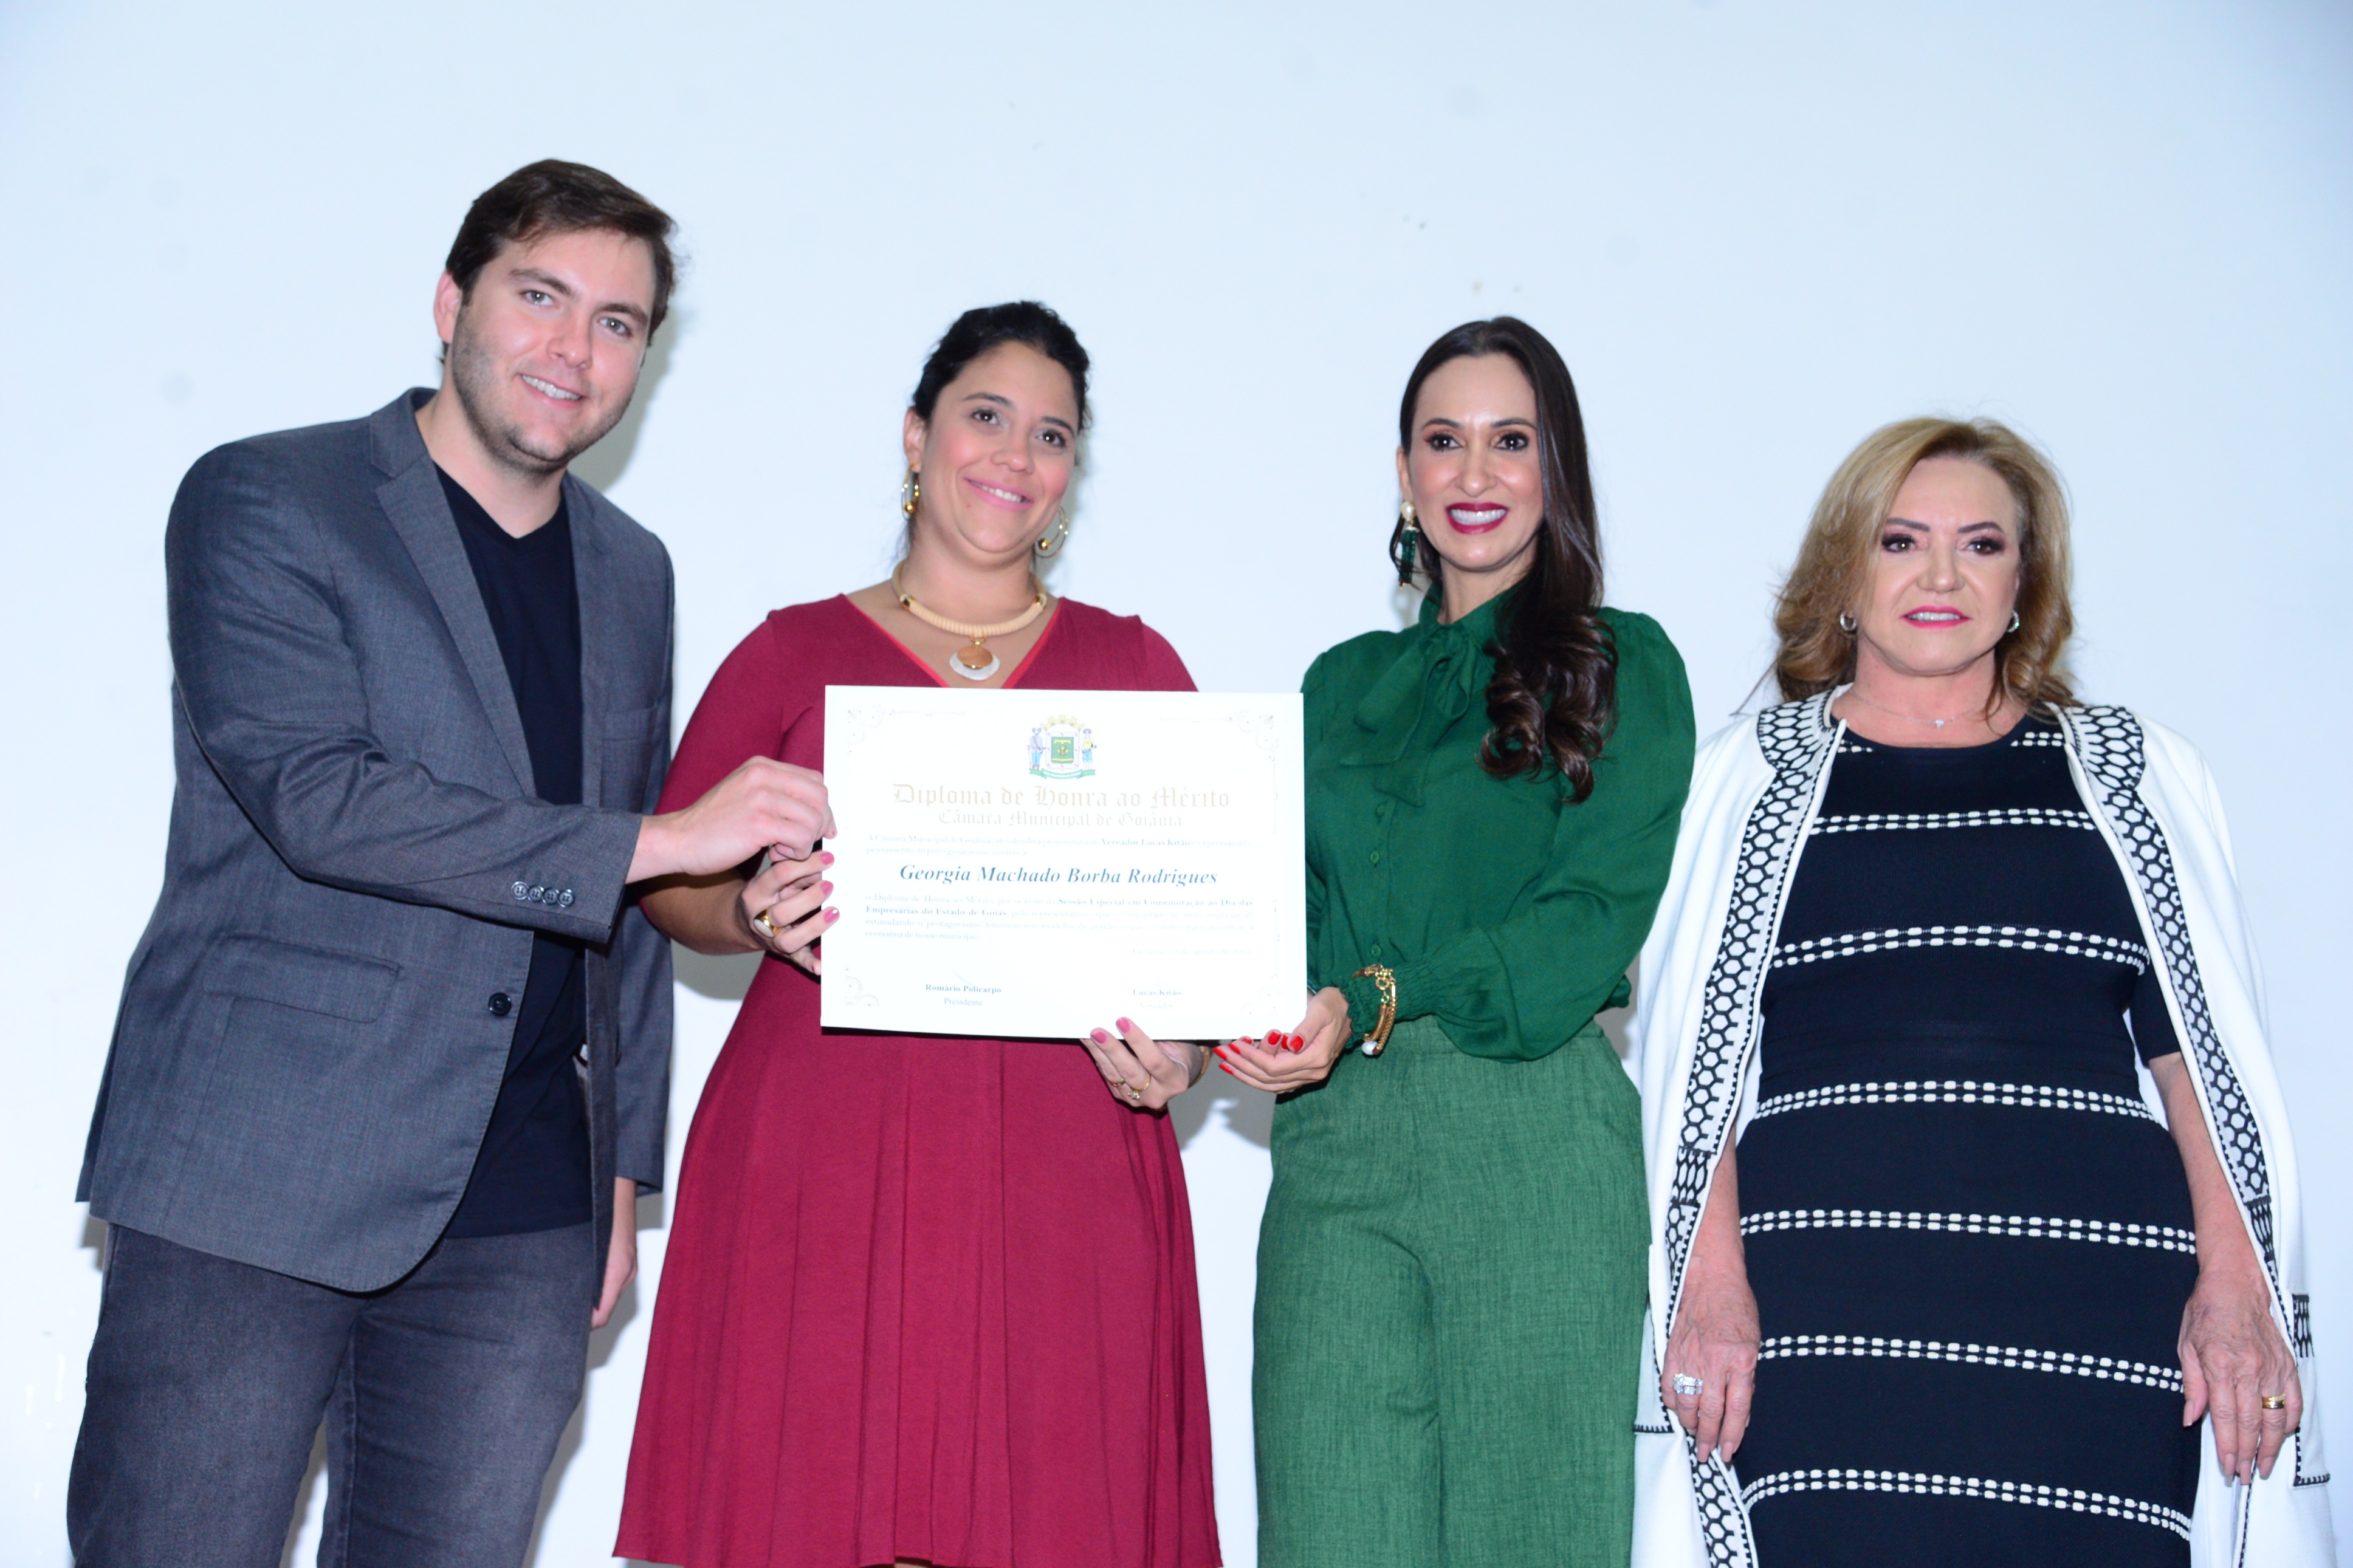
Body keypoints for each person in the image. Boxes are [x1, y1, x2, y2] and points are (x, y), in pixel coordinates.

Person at [67, 160, 835, 1568]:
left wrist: (619, 1173)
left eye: (617, 322)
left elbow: (624, 892)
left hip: (527, 1208)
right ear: (450, 302)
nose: (573, 347)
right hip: (260, 1169)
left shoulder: (634, 569)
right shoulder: (269, 495)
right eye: (540, 296)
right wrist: (667, 840)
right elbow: (322, 799)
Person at [1629, 419, 2334, 1567]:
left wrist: (2235, 1287)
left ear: (2024, 585)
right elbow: (1694, 1077)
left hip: (2097, 1320)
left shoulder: (2133, 776)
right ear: (1846, 570)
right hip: (1820, 1321)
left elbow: (2199, 1064)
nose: (1942, 575)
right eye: (1902, 540)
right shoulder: (1739, 785)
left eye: (1982, 545)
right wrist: (1707, 1286)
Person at [616, 302, 1220, 1568]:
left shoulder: (1136, 668)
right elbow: (668, 880)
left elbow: (1198, 938)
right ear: (915, 435)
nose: (1016, 455)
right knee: (814, 1514)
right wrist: (747, 912)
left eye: (1052, 434)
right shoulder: (790, 652)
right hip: (824, 1155)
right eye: (985, 416)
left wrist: (1184, 1051)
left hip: (1065, 1169)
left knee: (1057, 1515)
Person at [1215, 317, 1695, 1567]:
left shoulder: (1624, 665)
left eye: (1510, 440)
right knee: (1326, 1535)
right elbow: (1283, 913)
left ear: (1556, 467)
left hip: (1530, 1141)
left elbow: (1585, 924)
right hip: (1335, 1143)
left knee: (1529, 1540)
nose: (1474, 473)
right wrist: (1219, 1010)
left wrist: (1380, 989)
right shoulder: (1336, 685)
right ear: (1404, 471)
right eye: (1444, 441)